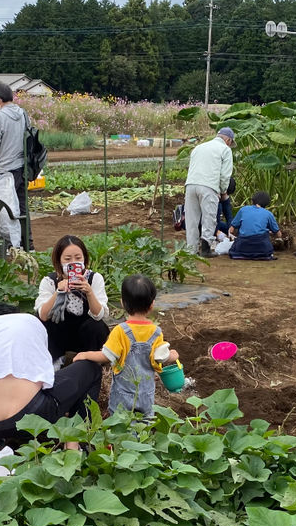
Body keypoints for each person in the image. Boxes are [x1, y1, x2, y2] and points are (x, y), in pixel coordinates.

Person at [0, 303, 103, 449]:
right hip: (32, 417)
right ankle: (77, 442)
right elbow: (45, 375)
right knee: (91, 368)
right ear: (15, 314)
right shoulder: (30, 321)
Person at [74, 275, 179, 416]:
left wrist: (85, 354)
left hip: (123, 392)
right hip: (146, 392)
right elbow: (162, 357)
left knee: (120, 422)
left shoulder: (120, 331)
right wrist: (173, 355)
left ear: (122, 303)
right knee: (144, 423)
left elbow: (106, 356)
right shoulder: (156, 332)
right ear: (152, 305)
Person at [35, 235, 110, 366]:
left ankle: (89, 363)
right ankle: (54, 362)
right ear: (59, 261)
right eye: (68, 259)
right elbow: (42, 315)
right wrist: (58, 292)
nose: (73, 262)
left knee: (96, 326)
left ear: (84, 259)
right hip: (60, 335)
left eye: (78, 258)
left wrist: (89, 292)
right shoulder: (49, 281)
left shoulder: (94, 278)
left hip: (84, 334)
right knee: (43, 322)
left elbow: (99, 315)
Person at [0, 82, 31, 250]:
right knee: (22, 206)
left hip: (6, 169)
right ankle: (28, 244)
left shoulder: (0, 116)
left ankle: (11, 244)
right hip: (22, 167)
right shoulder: (23, 113)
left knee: (7, 209)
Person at [184, 127, 235, 257]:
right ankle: (205, 249)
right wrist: (223, 191)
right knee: (209, 218)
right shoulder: (225, 149)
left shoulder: (199, 147)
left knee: (192, 219)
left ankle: (191, 250)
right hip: (208, 186)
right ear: (228, 140)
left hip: (191, 184)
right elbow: (225, 175)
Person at [228, 191, 280, 260]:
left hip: (242, 247)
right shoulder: (268, 214)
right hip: (262, 249)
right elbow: (278, 234)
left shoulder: (243, 210)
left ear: (252, 201)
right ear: (266, 204)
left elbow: (231, 230)